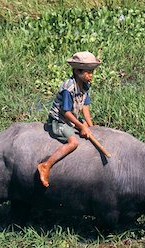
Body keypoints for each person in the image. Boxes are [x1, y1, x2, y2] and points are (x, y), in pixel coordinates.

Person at [37, 51, 101, 187]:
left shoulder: (85, 85)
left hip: (72, 119)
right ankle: (46, 165)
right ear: (77, 72)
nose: (91, 75)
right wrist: (81, 126)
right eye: (88, 72)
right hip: (59, 120)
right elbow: (65, 112)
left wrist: (90, 125)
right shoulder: (69, 88)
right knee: (73, 142)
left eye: (92, 72)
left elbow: (85, 106)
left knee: (88, 129)